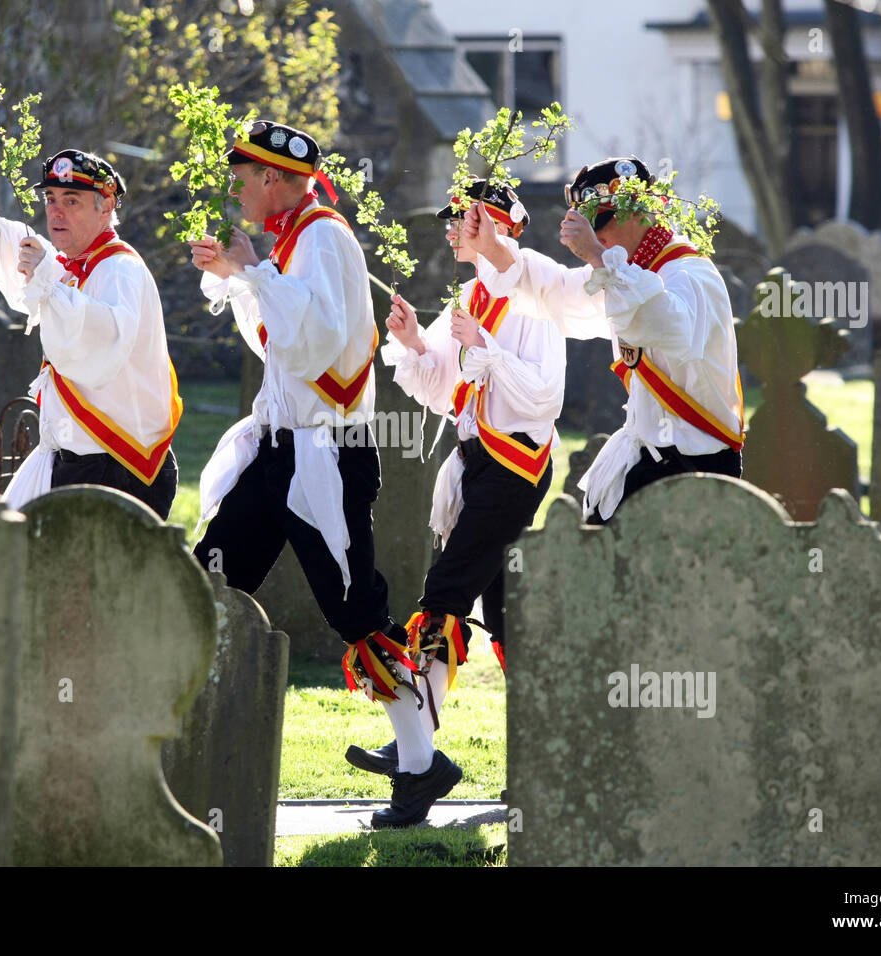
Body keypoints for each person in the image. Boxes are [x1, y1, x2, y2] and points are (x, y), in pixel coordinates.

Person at [187, 119, 461, 828]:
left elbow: (315, 344)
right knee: (207, 578)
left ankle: (421, 763)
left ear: (275, 179)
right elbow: (280, 340)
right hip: (280, 450)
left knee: (357, 614)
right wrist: (242, 279)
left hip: (324, 455)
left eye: (245, 177)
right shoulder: (299, 240)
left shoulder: (324, 236)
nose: (237, 188)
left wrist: (254, 271)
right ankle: (179, 749)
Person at [344, 181, 565, 778]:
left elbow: (544, 396)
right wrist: (416, 339)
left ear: (491, 227)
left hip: (515, 465)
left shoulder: (530, 297)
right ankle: (549, 740)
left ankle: (416, 749)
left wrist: (485, 348)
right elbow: (444, 387)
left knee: (444, 592)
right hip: (475, 464)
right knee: (500, 610)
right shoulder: (469, 294)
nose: (450, 229)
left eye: (461, 220)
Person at [462, 156, 744, 524]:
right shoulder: (628, 272)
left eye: (602, 222)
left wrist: (598, 257)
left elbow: (666, 326)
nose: (598, 236)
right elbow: (560, 292)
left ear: (639, 212)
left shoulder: (689, 273)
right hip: (649, 460)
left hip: (699, 466)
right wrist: (493, 248)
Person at [0, 149, 181, 518]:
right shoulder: (78, 265)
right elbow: (39, 262)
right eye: (50, 198)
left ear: (107, 206)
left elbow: (100, 343)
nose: (55, 211)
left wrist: (47, 282)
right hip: (79, 461)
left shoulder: (119, 269)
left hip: (118, 466)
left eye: (72, 200)